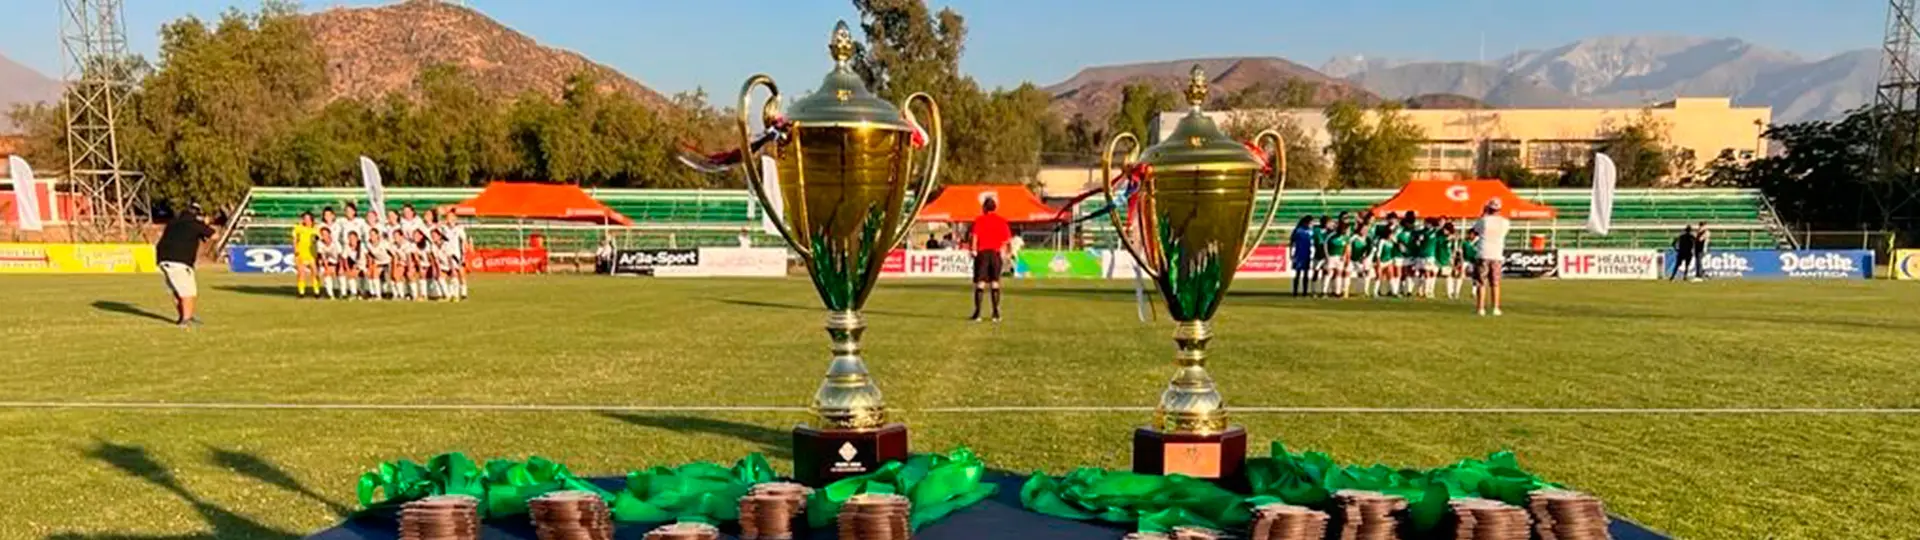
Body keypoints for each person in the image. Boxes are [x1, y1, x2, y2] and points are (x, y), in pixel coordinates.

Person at [155, 203, 216, 328]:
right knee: (188, 293)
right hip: (180, 261)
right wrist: (206, 224)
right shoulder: (194, 223)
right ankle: (186, 320)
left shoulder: (173, 222)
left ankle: (184, 316)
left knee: (177, 292)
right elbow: (214, 235)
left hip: (164, 259)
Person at [969, 196, 1013, 322]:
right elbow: (1007, 240)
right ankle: (996, 313)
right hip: (995, 253)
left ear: (984, 207)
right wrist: (1008, 253)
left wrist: (973, 250)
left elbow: (975, 237)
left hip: (982, 253)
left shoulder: (979, 220)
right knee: (995, 282)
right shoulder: (1001, 221)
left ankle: (978, 314)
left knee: (981, 282)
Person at [1470, 200, 1510, 316]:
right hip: (1497, 254)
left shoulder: (1483, 221)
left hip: (1483, 253)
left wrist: (1483, 214)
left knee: (1481, 283)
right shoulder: (1505, 222)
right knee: (1495, 283)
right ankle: (1495, 308)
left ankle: (1480, 308)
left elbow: (1473, 232)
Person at [291, 212, 321, 298]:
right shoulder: (298, 228)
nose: (306, 220)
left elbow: (318, 237)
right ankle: (301, 292)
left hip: (312, 254)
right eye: (305, 218)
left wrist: (315, 238)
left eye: (308, 218)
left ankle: (316, 291)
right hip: (301, 253)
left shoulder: (315, 228)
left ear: (312, 219)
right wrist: (295, 250)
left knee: (315, 272)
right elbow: (294, 239)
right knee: (301, 273)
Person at [443, 211, 471, 299]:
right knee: (452, 273)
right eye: (448, 217)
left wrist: (466, 248)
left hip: (458, 254)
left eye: (451, 217)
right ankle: (453, 292)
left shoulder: (459, 228)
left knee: (461, 273)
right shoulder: (444, 228)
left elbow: (464, 240)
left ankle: (463, 292)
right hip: (448, 253)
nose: (449, 219)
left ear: (455, 218)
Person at [1288, 215, 1314, 297]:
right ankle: (1295, 292)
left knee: (1306, 274)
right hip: (1298, 255)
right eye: (1311, 222)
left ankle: (1305, 292)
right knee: (1298, 273)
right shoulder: (1298, 231)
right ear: (1306, 222)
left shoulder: (1311, 231)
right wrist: (1291, 253)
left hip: (1307, 254)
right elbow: (1292, 242)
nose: (1312, 224)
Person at [1325, 221, 1353, 298]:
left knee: (1339, 273)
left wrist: (1344, 256)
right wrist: (1327, 256)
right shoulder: (1331, 236)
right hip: (1331, 257)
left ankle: (1338, 292)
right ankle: (1325, 291)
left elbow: (1347, 247)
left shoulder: (1346, 237)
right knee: (1329, 273)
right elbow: (1325, 246)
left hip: (1340, 258)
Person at [1437, 222, 1463, 300]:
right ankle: (1450, 293)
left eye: (1445, 229)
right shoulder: (1443, 238)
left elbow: (1459, 248)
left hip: (1456, 257)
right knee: (1449, 275)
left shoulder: (1456, 238)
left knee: (1457, 275)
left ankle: (1456, 292)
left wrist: (1460, 258)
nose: (1444, 231)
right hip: (1449, 258)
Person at [367, 227, 394, 299]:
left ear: (377, 235)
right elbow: (370, 255)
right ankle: (377, 295)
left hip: (388, 261)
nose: (371, 237)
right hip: (378, 262)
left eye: (373, 235)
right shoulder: (368, 244)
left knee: (389, 279)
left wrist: (393, 265)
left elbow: (393, 254)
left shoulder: (384, 243)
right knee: (373, 275)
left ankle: (393, 294)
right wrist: (370, 265)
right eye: (370, 235)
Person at [316, 227, 340, 298]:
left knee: (338, 275)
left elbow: (340, 256)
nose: (324, 236)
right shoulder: (319, 243)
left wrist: (337, 266)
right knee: (325, 273)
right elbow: (322, 256)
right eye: (322, 234)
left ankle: (340, 291)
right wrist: (326, 267)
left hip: (337, 263)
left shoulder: (336, 243)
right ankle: (330, 294)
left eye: (326, 234)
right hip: (327, 263)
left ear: (329, 234)